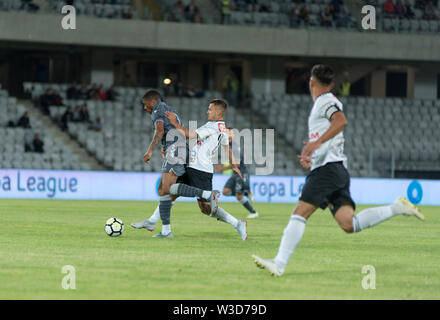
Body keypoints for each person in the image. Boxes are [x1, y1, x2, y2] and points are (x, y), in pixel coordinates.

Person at [252, 64, 424, 276]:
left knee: (300, 213)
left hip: (328, 171)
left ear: (311, 82)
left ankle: (279, 263)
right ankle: (396, 208)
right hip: (336, 169)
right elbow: (327, 139)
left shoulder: (325, 101)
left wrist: (316, 145)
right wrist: (312, 155)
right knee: (348, 223)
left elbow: (341, 121)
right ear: (331, 83)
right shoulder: (325, 103)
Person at [164, 99, 248, 240]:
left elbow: (190, 135)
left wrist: (174, 123)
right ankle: (163, 229)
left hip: (200, 169)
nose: (207, 111)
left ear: (218, 112)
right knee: (171, 192)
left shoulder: (212, 126)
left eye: (210, 109)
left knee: (205, 207)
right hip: (196, 166)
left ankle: (237, 223)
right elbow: (226, 148)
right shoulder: (222, 127)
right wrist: (234, 165)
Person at [130, 90, 188, 238]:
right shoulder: (169, 108)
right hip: (176, 148)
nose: (145, 108)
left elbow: (159, 131)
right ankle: (156, 224)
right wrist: (165, 145)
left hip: (175, 149)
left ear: (152, 101)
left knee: (166, 189)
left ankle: (204, 194)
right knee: (165, 190)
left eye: (145, 104)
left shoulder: (157, 109)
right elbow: (172, 129)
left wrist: (149, 151)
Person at [217, 128, 258, 218]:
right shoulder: (228, 146)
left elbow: (237, 163)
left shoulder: (235, 147)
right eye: (227, 132)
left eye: (230, 133)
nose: (228, 134)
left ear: (234, 135)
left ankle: (254, 212)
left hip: (242, 173)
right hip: (235, 173)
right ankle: (247, 193)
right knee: (225, 191)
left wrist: (223, 168)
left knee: (239, 196)